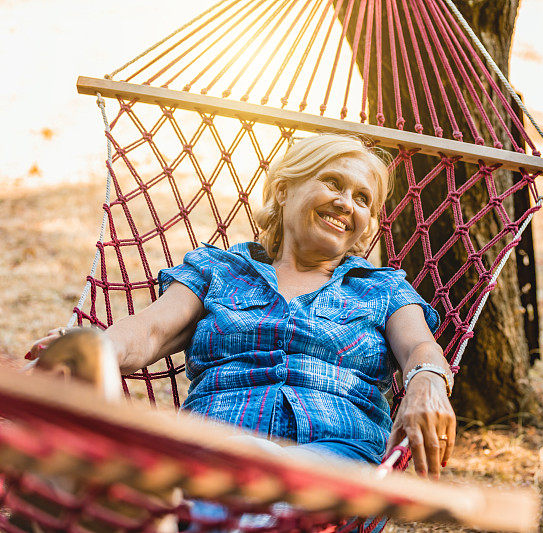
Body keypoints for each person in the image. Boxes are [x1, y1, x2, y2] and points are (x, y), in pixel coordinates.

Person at [29, 134, 456, 481]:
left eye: (363, 199)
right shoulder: (220, 269)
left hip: (332, 461)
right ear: (285, 190)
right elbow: (150, 330)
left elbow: (419, 347)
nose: (347, 203)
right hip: (213, 442)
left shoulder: (382, 288)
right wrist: (94, 350)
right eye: (333, 183)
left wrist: (428, 380)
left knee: (239, 491)